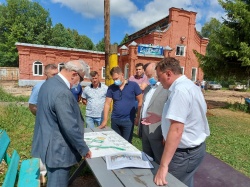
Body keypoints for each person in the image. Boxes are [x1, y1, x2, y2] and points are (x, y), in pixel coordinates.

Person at [31, 60, 92, 187]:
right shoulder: (62, 92)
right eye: (80, 79)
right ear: (74, 74)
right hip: (58, 151)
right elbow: (69, 125)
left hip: (48, 144)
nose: (78, 83)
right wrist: (83, 148)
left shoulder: (48, 84)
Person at [153, 57, 210, 187]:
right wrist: (161, 119)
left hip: (184, 155)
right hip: (193, 152)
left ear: (168, 73)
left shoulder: (180, 91)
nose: (158, 80)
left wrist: (163, 165)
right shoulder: (190, 86)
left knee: (167, 183)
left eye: (159, 76)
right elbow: (190, 115)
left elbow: (177, 129)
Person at [99, 66, 142, 143]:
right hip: (115, 120)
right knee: (116, 142)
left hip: (128, 120)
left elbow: (140, 101)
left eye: (116, 78)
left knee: (127, 143)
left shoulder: (133, 85)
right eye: (114, 79)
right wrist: (105, 120)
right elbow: (107, 104)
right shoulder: (111, 88)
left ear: (122, 74)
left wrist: (138, 117)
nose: (115, 81)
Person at [138, 62, 169, 164]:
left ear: (157, 72)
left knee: (159, 158)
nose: (147, 78)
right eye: (146, 75)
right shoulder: (148, 88)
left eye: (149, 75)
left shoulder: (166, 89)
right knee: (147, 157)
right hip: (145, 127)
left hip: (157, 129)